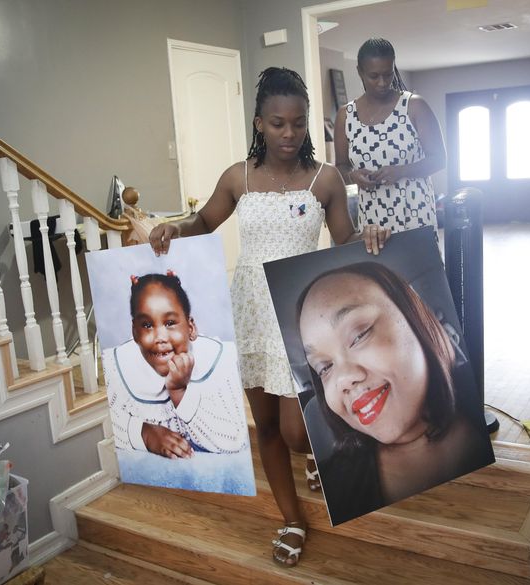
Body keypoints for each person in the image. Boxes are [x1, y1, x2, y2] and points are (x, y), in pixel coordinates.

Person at [149, 67, 390, 566]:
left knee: (299, 432)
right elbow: (203, 221)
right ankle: (291, 517)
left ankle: (315, 461)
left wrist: (367, 234)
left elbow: (343, 239)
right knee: (266, 426)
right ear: (260, 123)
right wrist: (174, 227)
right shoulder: (239, 176)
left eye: (299, 124)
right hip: (251, 315)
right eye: (278, 123)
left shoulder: (326, 180)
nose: (289, 134)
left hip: (299, 314)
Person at [296, 262, 493, 524]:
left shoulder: (484, 413)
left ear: (415, 319)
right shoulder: (339, 483)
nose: (343, 379)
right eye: (325, 367)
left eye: (359, 335)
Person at [104, 271, 247, 458]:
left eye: (170, 322)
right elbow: (105, 425)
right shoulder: (116, 365)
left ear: (191, 328)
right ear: (134, 332)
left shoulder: (220, 359)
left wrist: (179, 391)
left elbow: (233, 441)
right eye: (147, 325)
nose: (160, 338)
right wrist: (145, 433)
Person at [334, 38, 446, 236]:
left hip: (415, 215)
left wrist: (402, 171)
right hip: (372, 223)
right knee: (377, 268)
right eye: (374, 76)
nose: (382, 82)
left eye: (388, 74)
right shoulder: (346, 115)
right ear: (360, 71)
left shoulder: (414, 106)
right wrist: (353, 176)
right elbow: (340, 167)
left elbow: (439, 159)